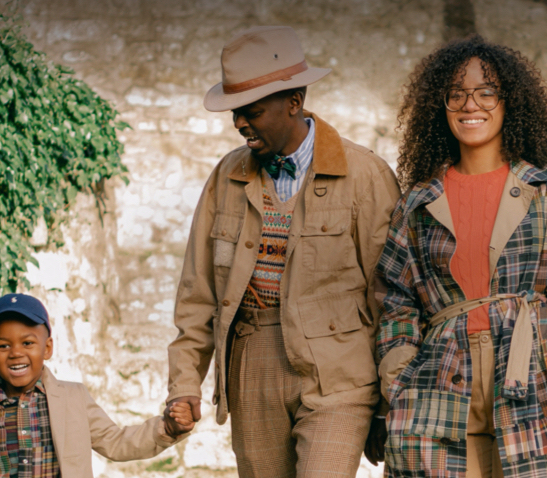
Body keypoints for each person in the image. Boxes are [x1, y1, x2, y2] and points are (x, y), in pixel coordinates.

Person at [374, 35, 547, 478]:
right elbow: (396, 298)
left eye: (486, 92)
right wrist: (400, 374)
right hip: (439, 385)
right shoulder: (417, 202)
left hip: (535, 380)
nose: (472, 105)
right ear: (440, 106)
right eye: (457, 94)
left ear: (511, 102)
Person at [162, 25, 400, 477]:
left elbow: (390, 296)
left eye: (251, 111)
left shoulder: (366, 175)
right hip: (251, 366)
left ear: (295, 102)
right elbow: (197, 293)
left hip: (339, 375)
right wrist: (183, 385)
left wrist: (392, 395)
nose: (239, 124)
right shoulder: (226, 177)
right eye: (235, 113)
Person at [0, 293, 193, 478]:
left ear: (47, 348)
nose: (16, 353)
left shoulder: (73, 398)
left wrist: (166, 428)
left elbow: (115, 442)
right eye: (3, 346)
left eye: (28, 343)